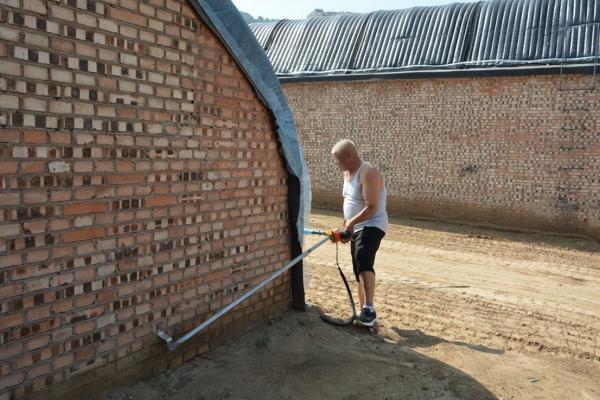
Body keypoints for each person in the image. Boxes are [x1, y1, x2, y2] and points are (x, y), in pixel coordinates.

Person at [331, 139, 388, 327]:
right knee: (358, 267)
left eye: (338, 159)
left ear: (349, 156)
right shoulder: (347, 173)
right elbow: (350, 203)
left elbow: (371, 207)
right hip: (357, 226)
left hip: (373, 224)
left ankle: (369, 309)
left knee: (363, 256)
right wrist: (346, 227)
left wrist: (351, 223)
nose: (336, 163)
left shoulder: (368, 173)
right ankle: (364, 310)